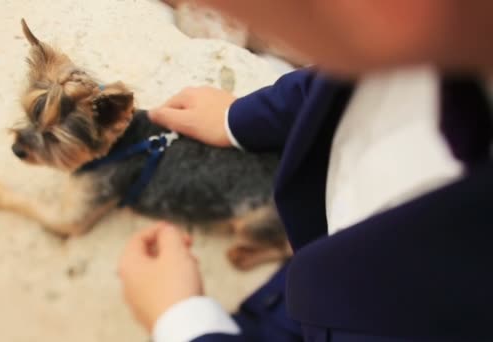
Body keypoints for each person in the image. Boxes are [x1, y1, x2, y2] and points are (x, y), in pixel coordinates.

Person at [118, 1, 493, 341]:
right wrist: (238, 118)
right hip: (322, 272)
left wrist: (180, 320)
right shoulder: (433, 34)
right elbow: (333, 81)